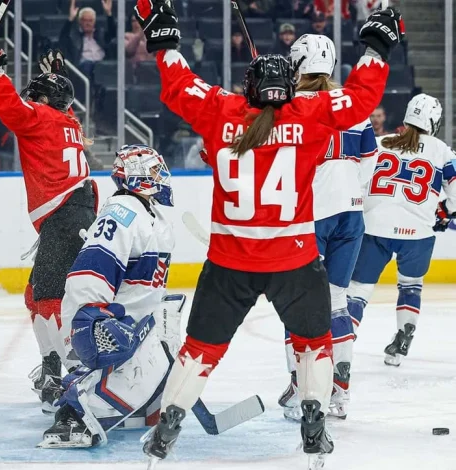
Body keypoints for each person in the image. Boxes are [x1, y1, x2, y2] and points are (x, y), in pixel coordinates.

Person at [132, 0, 403, 466]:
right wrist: (376, 48)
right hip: (294, 262)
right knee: (313, 344)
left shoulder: (221, 110)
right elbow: (360, 97)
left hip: (228, 264)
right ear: (289, 89)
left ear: (249, 88)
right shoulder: (309, 113)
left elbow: (178, 85)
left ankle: (166, 430)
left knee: (200, 350)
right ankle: (314, 423)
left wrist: (164, 43)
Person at [0, 38, 98, 412]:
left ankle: (74, 377)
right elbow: (59, 106)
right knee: (35, 294)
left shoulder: (42, 116)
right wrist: (57, 80)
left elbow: (11, 108)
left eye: (36, 97)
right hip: (73, 214)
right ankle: (53, 368)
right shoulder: (68, 120)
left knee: (48, 298)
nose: (32, 101)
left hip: (65, 217)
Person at [39, 144, 181, 447]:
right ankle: (73, 414)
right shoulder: (121, 213)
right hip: (108, 327)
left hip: (136, 323)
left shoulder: (151, 214)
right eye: (154, 170)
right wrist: (90, 321)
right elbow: (90, 273)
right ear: (136, 175)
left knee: (168, 337)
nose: (160, 176)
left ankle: (139, 405)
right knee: (140, 361)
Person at [277, 34, 379, 421]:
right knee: (337, 301)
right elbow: (369, 161)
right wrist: (348, 191)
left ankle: (302, 388)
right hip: (351, 214)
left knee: (296, 302)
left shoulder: (289, 106)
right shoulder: (353, 106)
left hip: (311, 215)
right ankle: (340, 392)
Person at [346, 94, 456, 368]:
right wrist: (444, 211)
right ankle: (403, 335)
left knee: (358, 290)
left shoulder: (381, 142)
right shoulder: (441, 150)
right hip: (418, 233)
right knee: (410, 285)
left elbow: (357, 179)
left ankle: (342, 345)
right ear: (434, 122)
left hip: (375, 227)